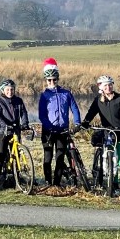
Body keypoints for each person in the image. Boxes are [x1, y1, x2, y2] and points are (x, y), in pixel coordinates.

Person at [82, 75, 120, 193]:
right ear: (100, 87)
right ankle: (113, 183)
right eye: (106, 85)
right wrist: (86, 122)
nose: (109, 87)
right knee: (110, 158)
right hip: (108, 134)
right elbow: (91, 113)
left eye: (110, 84)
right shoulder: (98, 101)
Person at [37, 58, 82, 187]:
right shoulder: (44, 95)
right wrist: (49, 127)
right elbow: (42, 115)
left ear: (57, 79)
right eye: (49, 80)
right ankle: (47, 182)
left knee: (60, 157)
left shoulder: (66, 93)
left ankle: (56, 184)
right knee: (48, 157)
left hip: (63, 130)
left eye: (54, 79)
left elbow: (74, 108)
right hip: (49, 131)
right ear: (46, 80)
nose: (52, 82)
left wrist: (77, 123)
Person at [0, 78, 30, 188]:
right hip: (3, 131)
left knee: (16, 157)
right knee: (0, 157)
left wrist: (25, 123)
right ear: (3, 90)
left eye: (12, 89)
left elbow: (24, 113)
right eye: (7, 90)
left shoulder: (19, 101)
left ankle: (16, 179)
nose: (10, 92)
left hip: (16, 131)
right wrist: (5, 125)